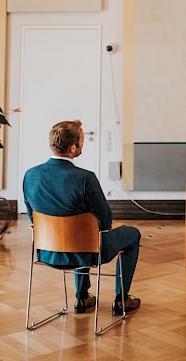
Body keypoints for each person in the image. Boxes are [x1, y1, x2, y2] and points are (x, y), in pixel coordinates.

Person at [23, 120, 142, 316]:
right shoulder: (85, 178)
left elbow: (32, 217)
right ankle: (121, 300)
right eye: (82, 141)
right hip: (88, 252)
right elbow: (105, 221)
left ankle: (82, 297)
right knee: (132, 234)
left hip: (46, 252)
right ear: (72, 147)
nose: (83, 144)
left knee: (81, 234)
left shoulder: (30, 175)